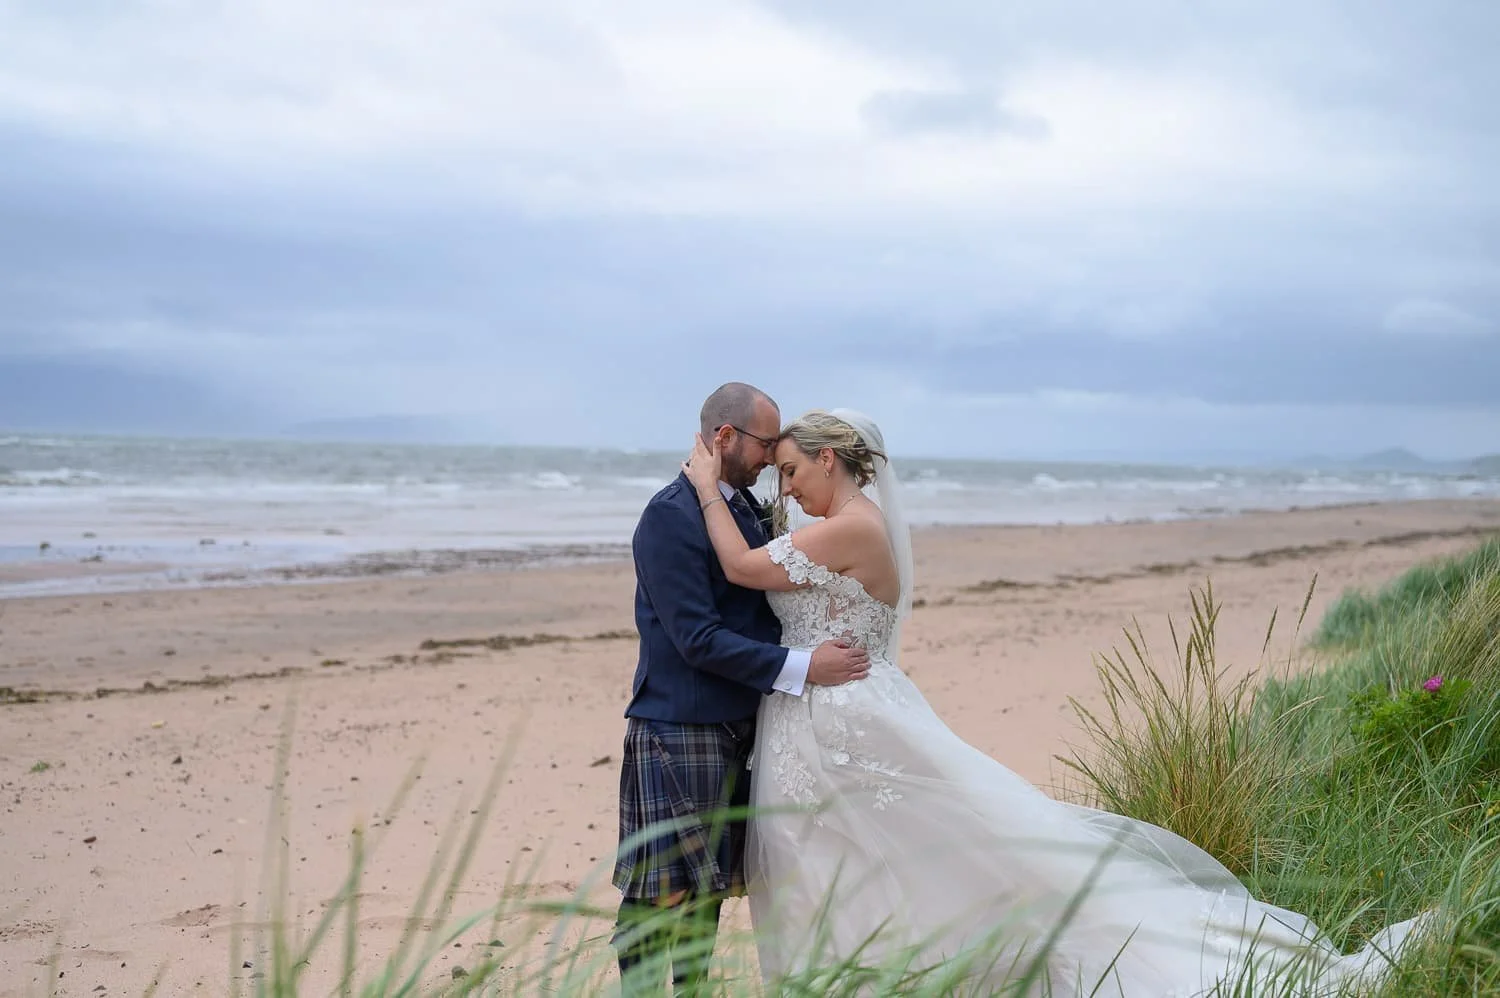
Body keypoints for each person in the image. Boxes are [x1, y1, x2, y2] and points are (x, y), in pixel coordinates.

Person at [681, 407, 1431, 996]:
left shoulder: (851, 527)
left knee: (920, 855)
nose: (787, 490)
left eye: (791, 471)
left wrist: (706, 488)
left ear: (827, 457)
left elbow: (745, 568)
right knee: (842, 864)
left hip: (848, 722)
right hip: (815, 718)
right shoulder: (837, 525)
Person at [611, 383, 873, 996]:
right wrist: (803, 666)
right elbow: (696, 638)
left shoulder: (745, 510)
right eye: (764, 444)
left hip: (741, 726)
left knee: (707, 893)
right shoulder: (670, 515)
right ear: (724, 437)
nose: (771, 457)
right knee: (660, 891)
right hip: (680, 729)